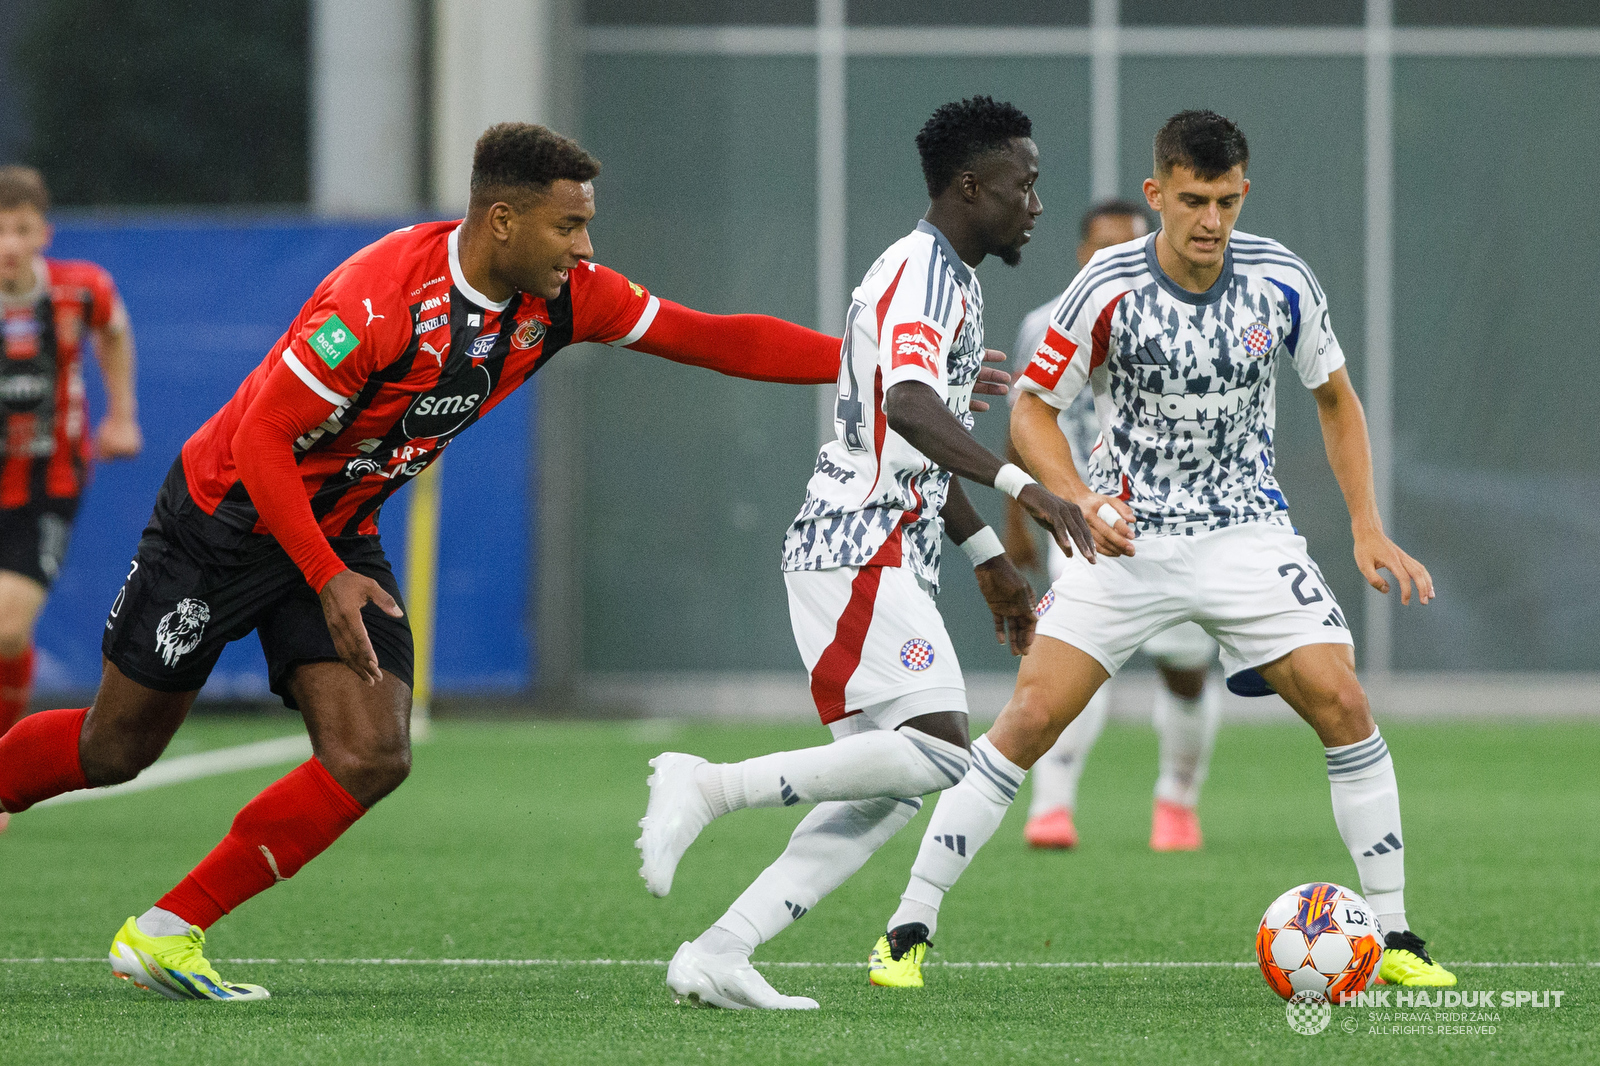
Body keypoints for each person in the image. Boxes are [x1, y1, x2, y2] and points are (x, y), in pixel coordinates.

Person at [0, 122, 995, 1002]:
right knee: (115, 750)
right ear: (504, 221)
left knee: (372, 752)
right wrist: (322, 569)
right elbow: (264, 441)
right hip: (225, 521)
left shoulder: (568, 299)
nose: (587, 246)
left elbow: (713, 338)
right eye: (569, 226)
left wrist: (882, 366)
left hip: (335, 529)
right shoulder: (379, 298)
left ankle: (165, 932)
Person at [867, 110, 1456, 990]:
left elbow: (1336, 398)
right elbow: (1032, 408)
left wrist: (1368, 525)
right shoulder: (1107, 284)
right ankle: (907, 931)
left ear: (1242, 192)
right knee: (1028, 720)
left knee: (1343, 702)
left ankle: (1400, 938)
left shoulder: (1282, 278)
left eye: (1225, 200)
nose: (1210, 220)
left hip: (1248, 534)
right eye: (1191, 200)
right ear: (1157, 195)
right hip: (1125, 539)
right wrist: (1077, 496)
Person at [634, 97, 1092, 1011]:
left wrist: (983, 560)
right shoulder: (921, 273)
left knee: (888, 788)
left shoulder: (953, 279)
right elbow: (910, 409)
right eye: (1023, 184)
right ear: (972, 186)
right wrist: (1023, 490)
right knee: (940, 755)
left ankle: (722, 950)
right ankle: (709, 784)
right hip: (857, 547)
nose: (1037, 202)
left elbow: (924, 436)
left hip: (891, 548)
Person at [1003, 200, 1221, 853]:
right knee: (1073, 657)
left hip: (1178, 524)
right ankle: (1052, 806)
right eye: (1103, 249)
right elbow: (1023, 426)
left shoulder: (1187, 320)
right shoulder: (1044, 324)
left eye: (1130, 246)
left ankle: (1176, 801)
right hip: (1082, 518)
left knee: (1184, 668)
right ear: (1080, 255)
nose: (1116, 260)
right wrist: (1018, 518)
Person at [0, 166, 142, 762]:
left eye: (22, 229)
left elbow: (114, 330)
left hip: (46, 484)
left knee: (6, 630)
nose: (8, 244)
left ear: (45, 235)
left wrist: (122, 414)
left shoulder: (79, 290)